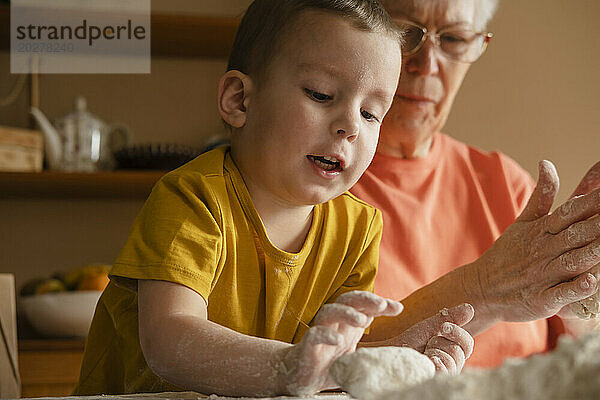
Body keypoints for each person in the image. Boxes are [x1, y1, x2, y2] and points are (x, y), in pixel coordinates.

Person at [74, 0, 474, 396]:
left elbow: (328, 363)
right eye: (320, 94)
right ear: (240, 100)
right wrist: (289, 367)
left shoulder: (359, 229)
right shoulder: (191, 198)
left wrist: (400, 354)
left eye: (371, 113)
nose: (351, 126)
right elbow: (168, 341)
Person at [352, 0, 600, 368]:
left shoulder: (507, 183)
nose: (427, 65)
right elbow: (320, 362)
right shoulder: (311, 181)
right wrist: (483, 289)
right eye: (405, 32)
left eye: (453, 39)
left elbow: (575, 350)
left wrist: (582, 293)